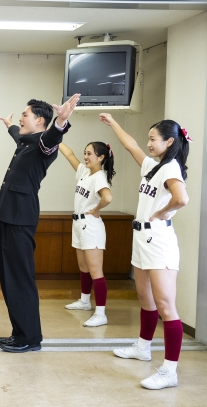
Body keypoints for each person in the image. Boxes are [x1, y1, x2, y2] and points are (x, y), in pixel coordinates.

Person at [99, 113, 190, 390]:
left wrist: (162, 212)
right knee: (145, 299)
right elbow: (131, 145)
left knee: (165, 306)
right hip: (142, 238)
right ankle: (142, 347)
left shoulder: (171, 167)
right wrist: (113, 123)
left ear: (169, 142)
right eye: (148, 139)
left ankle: (169, 371)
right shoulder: (153, 165)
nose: (148, 143)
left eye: (153, 139)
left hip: (158, 240)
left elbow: (181, 198)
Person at [0, 94, 80, 353]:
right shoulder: (27, 140)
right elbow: (17, 135)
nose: (21, 118)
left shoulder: (44, 143)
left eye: (25, 115)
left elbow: (52, 138)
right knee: (10, 278)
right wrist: (9, 125)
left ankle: (30, 337)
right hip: (8, 215)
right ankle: (19, 333)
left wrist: (61, 121)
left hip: (20, 217)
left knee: (21, 278)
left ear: (40, 121)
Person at [58, 141, 115, 327]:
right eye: (85, 153)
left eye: (90, 154)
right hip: (78, 223)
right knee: (83, 267)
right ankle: (84, 301)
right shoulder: (85, 172)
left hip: (91, 226)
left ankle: (101, 314)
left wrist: (97, 209)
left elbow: (108, 197)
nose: (85, 157)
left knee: (95, 271)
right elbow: (69, 154)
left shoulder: (99, 177)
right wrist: (54, 135)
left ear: (101, 157)